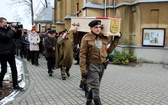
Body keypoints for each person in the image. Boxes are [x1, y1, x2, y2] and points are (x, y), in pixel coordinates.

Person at [79, 20, 121, 105]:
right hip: (92, 65)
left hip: (102, 65)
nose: (98, 29)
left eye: (100, 27)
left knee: (96, 85)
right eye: (96, 27)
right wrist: (83, 70)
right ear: (91, 28)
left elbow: (109, 50)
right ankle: (97, 102)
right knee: (96, 87)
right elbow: (82, 55)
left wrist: (116, 39)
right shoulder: (86, 38)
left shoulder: (104, 37)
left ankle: (88, 101)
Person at [0, 17, 24, 90]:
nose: (6, 24)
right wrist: (11, 30)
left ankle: (15, 85)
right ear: (0, 23)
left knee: (14, 69)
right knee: (4, 69)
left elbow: (16, 36)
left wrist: (18, 30)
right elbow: (6, 37)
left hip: (10, 52)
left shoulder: (7, 30)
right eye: (5, 23)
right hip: (3, 53)